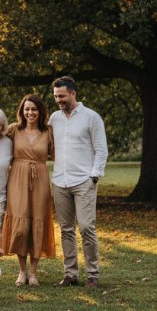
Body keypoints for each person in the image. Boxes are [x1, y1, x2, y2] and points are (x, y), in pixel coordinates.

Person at [49, 76, 108, 288]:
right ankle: (70, 274)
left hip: (84, 181)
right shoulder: (54, 118)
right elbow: (33, 133)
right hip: (60, 182)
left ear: (73, 93)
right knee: (66, 229)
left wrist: (94, 176)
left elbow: (101, 149)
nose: (59, 100)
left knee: (86, 227)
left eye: (62, 96)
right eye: (56, 97)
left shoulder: (91, 117)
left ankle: (92, 274)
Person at [0, 94, 56, 286]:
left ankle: (33, 273)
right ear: (22, 111)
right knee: (21, 225)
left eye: (34, 109)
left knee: (37, 221)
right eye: (27, 109)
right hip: (17, 179)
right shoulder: (14, 130)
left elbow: (60, 155)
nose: (30, 112)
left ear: (40, 112)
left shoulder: (48, 131)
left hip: (40, 179)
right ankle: (21, 271)